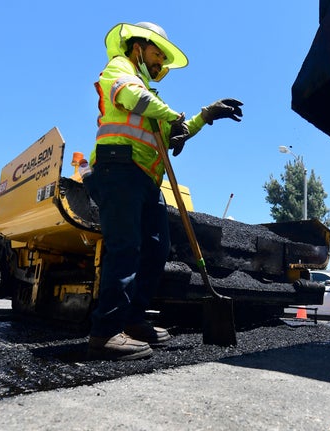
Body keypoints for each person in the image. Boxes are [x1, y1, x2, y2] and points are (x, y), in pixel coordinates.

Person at [82, 22, 243, 360]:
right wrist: (174, 117)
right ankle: (106, 332)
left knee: (157, 249)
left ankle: (134, 320)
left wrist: (204, 117)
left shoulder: (151, 94)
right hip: (118, 169)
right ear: (138, 47)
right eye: (158, 55)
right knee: (124, 248)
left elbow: (172, 135)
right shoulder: (119, 69)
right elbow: (133, 99)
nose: (160, 65)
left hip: (145, 179)